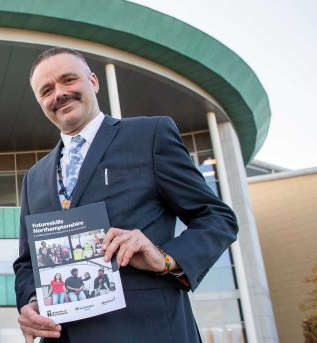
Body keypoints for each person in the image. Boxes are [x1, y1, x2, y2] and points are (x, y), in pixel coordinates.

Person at [13, 47, 238, 342]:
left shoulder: (149, 135)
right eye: (46, 90)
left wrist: (166, 258)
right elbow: (27, 263)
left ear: (93, 81)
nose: (59, 93)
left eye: (68, 80)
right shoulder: (34, 178)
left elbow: (217, 217)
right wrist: (31, 301)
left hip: (149, 330)